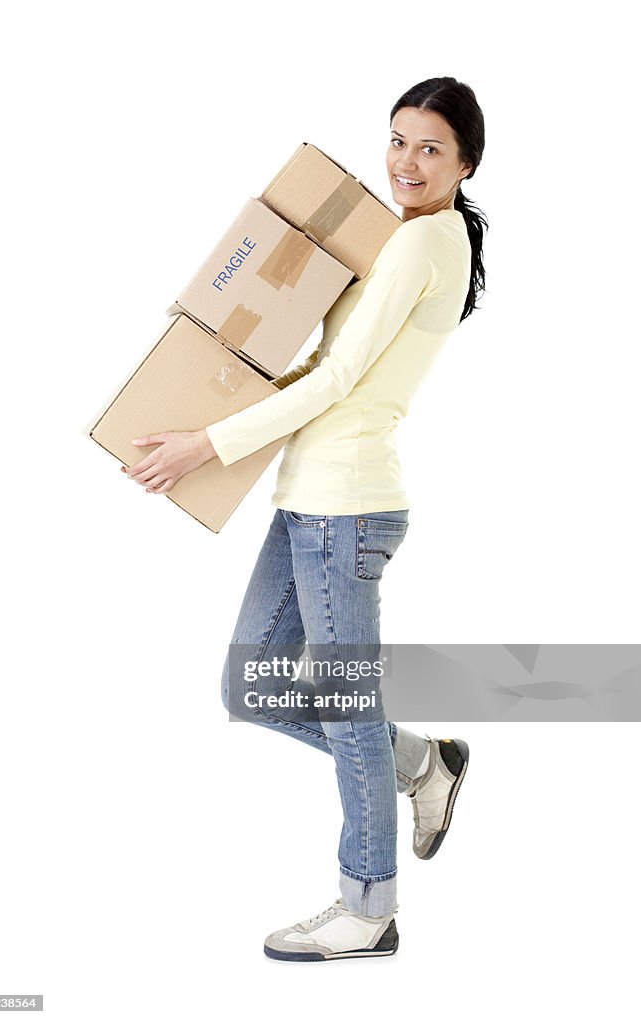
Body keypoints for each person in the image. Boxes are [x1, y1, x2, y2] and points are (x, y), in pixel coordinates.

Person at [122, 76, 487, 962]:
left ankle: (368, 909)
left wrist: (205, 443)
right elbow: (320, 361)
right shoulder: (407, 236)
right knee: (250, 686)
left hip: (345, 507)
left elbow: (335, 380)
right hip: (309, 499)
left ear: (465, 162)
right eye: (398, 139)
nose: (406, 160)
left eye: (430, 147)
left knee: (346, 707)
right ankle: (420, 764)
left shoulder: (420, 246)